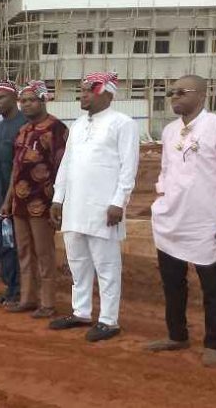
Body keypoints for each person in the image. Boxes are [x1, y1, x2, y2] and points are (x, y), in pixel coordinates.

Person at [145, 75, 216, 367]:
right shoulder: (168, 131)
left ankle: (214, 343)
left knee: (213, 287)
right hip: (171, 220)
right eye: (171, 92)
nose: (174, 97)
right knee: (172, 284)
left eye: (181, 92)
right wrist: (161, 202)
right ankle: (176, 335)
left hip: (207, 222)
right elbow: (166, 172)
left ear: (202, 95)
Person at [49, 72, 139, 343]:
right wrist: (57, 198)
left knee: (107, 265)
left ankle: (109, 321)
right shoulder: (77, 124)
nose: (83, 94)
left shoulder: (122, 124)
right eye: (82, 90)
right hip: (75, 206)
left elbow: (128, 166)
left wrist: (118, 202)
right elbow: (66, 164)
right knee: (77, 262)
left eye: (90, 90)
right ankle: (81, 311)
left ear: (107, 94)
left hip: (104, 207)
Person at [0, 81, 67, 318]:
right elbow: (15, 169)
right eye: (23, 101)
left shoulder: (56, 128)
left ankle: (47, 303)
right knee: (24, 251)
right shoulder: (23, 131)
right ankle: (27, 298)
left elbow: (62, 167)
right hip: (19, 201)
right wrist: (8, 199)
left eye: (31, 100)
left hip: (43, 201)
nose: (26, 105)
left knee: (44, 252)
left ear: (43, 100)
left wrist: (59, 201)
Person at [0, 80, 25, 305]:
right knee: (3, 244)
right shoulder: (0, 126)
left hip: (16, 196)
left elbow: (19, 166)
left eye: (1, 98)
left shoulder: (23, 124)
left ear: (14, 98)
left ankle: (21, 291)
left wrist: (9, 198)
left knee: (17, 245)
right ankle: (11, 289)